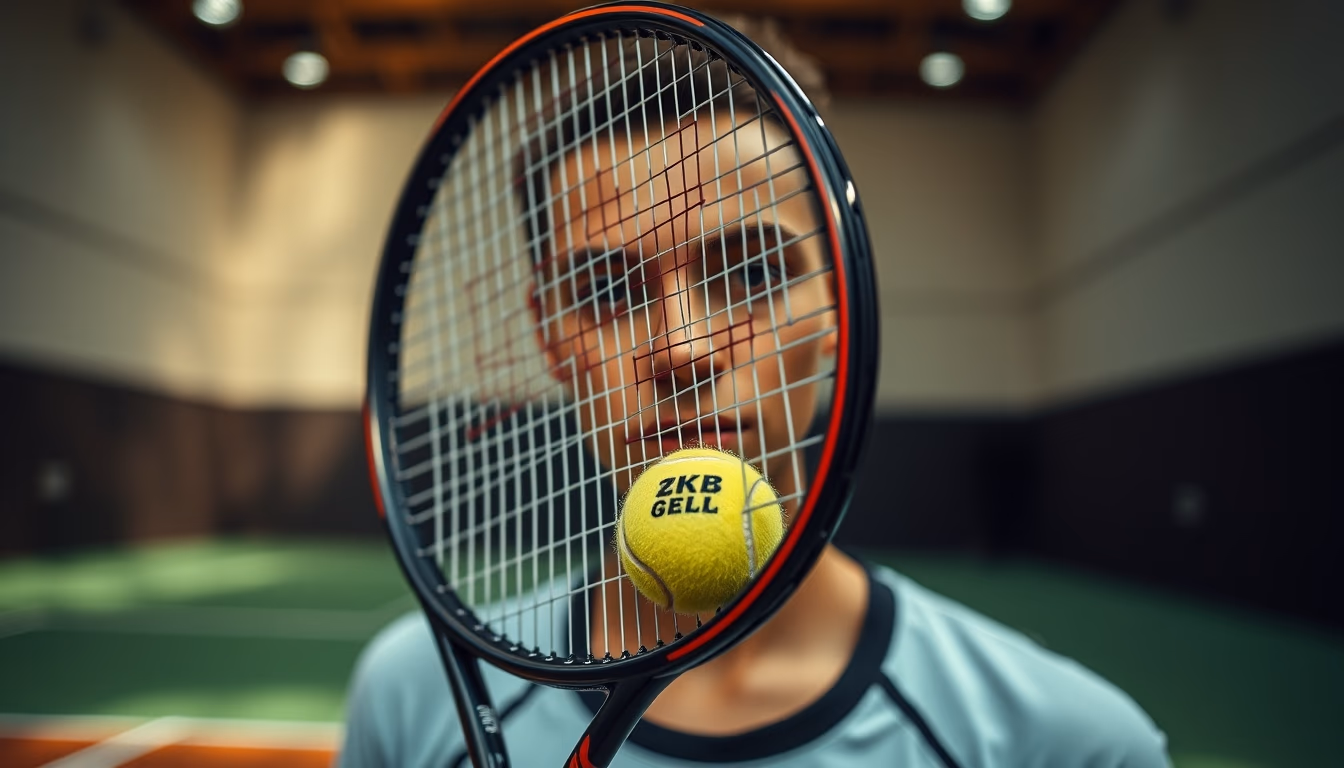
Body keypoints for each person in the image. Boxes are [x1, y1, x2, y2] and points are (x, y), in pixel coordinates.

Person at [339, 27, 1171, 768]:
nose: (682, 349)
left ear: (840, 305)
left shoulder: (1064, 743)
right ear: (552, 335)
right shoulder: (413, 698)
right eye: (605, 289)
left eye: (750, 272)